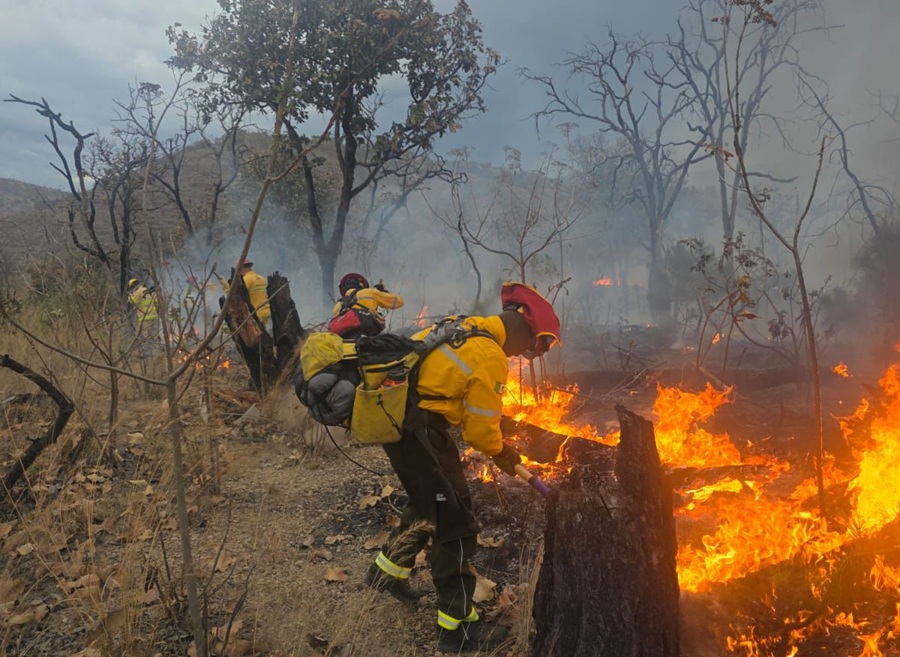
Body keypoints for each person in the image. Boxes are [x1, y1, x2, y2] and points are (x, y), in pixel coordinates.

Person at [364, 282, 561, 653]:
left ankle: (386, 572)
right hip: (421, 434)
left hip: (408, 427)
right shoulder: (490, 355)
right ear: (523, 327)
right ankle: (457, 628)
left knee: (431, 503)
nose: (532, 355)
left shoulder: (465, 326)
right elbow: (479, 433)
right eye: (537, 345)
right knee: (454, 523)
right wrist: (503, 453)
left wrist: (497, 446)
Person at [328, 272, 404, 339]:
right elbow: (399, 302)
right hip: (367, 337)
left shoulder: (338, 305)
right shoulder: (368, 293)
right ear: (361, 284)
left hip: (344, 342)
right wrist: (383, 292)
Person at [224, 260, 271, 327]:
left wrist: (225, 285)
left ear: (241, 268)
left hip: (256, 314)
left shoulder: (246, 280)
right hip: (267, 312)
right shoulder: (261, 278)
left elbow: (233, 294)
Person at [127, 278, 162, 350]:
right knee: (155, 333)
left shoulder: (138, 292)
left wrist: (130, 296)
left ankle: (147, 350)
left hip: (144, 317)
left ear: (133, 285)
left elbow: (133, 301)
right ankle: (158, 348)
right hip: (154, 315)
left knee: (145, 334)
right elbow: (157, 302)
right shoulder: (150, 290)